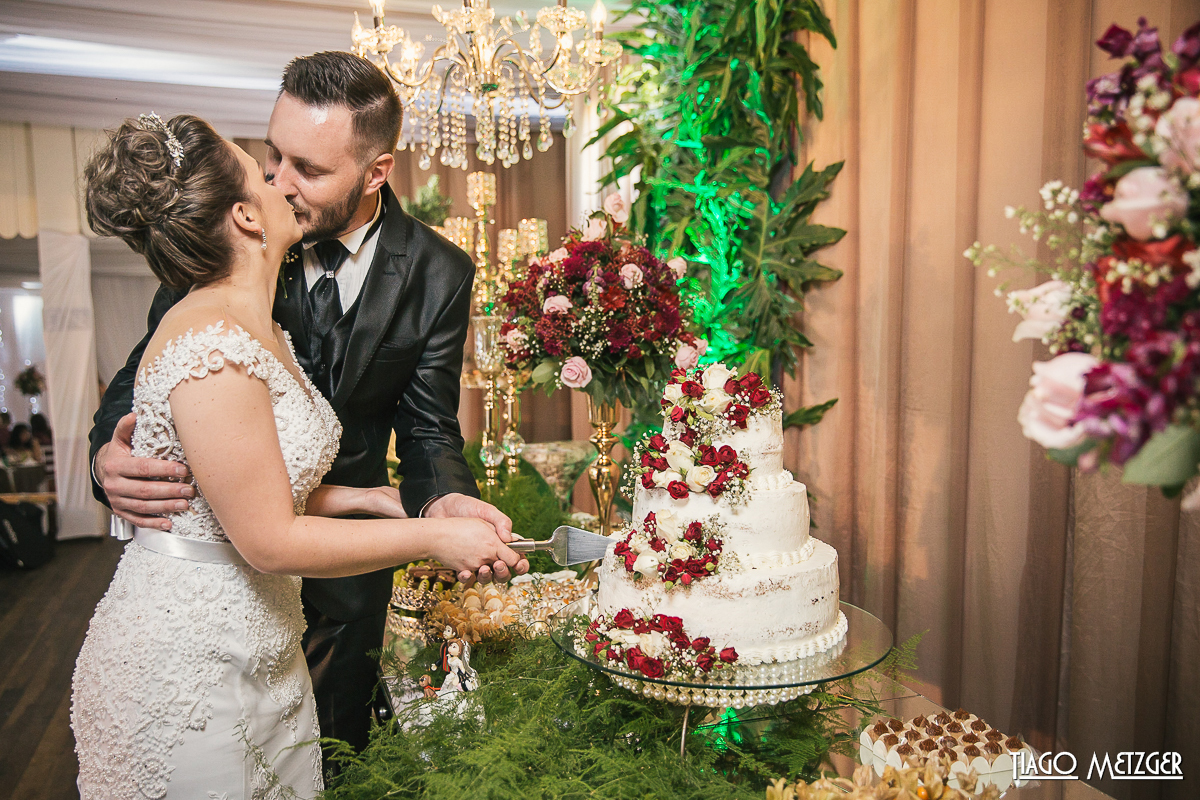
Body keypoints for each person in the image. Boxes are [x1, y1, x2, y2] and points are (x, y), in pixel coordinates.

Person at [72, 113, 524, 798]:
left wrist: (383, 498)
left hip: (269, 640)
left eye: (296, 167)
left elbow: (261, 480)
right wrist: (434, 537)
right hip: (192, 661)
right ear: (247, 218)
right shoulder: (209, 335)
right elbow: (269, 538)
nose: (280, 181)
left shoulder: (269, 322)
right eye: (264, 169)